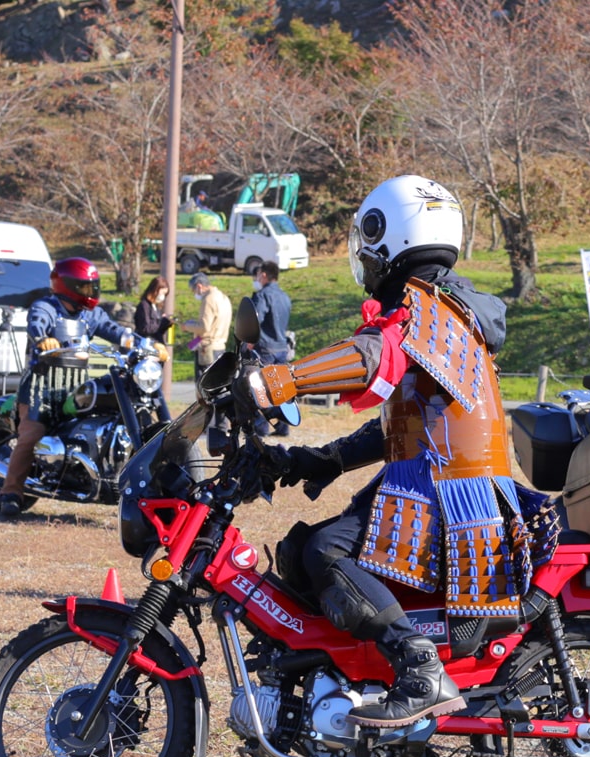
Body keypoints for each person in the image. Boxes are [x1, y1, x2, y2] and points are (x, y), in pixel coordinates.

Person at [253, 174, 542, 729]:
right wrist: (321, 458)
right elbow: (405, 422)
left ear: (387, 238)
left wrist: (282, 380)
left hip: (454, 497)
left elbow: (371, 354)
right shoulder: (443, 309)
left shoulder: (427, 313)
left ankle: (419, 669)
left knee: (324, 554)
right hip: (435, 483)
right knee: (304, 549)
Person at [0, 258, 149, 517]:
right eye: (85, 287)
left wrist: (144, 344)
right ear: (67, 286)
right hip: (42, 386)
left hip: (76, 384)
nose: (92, 293)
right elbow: (37, 324)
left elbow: (115, 331)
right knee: (31, 435)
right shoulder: (45, 306)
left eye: (93, 287)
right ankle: (11, 492)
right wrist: (43, 339)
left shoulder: (90, 314)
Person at [244, 261, 293, 435]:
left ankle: (261, 426)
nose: (257, 278)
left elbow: (255, 320)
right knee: (279, 387)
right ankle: (283, 425)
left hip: (264, 347)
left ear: (264, 275)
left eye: (258, 274)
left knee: (258, 386)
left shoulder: (262, 296)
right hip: (281, 346)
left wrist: (248, 341)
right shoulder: (285, 296)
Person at [182, 273, 232, 375]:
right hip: (220, 347)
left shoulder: (209, 299)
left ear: (199, 286)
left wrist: (187, 326)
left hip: (208, 349)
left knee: (204, 387)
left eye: (193, 290)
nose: (194, 293)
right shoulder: (223, 297)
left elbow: (204, 327)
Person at [133, 276, 173, 342]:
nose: (163, 296)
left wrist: (166, 323)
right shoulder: (144, 306)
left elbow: (157, 330)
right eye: (162, 293)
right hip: (146, 344)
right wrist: (161, 321)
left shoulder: (155, 306)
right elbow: (145, 328)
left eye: (165, 294)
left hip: (156, 341)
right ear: (155, 290)